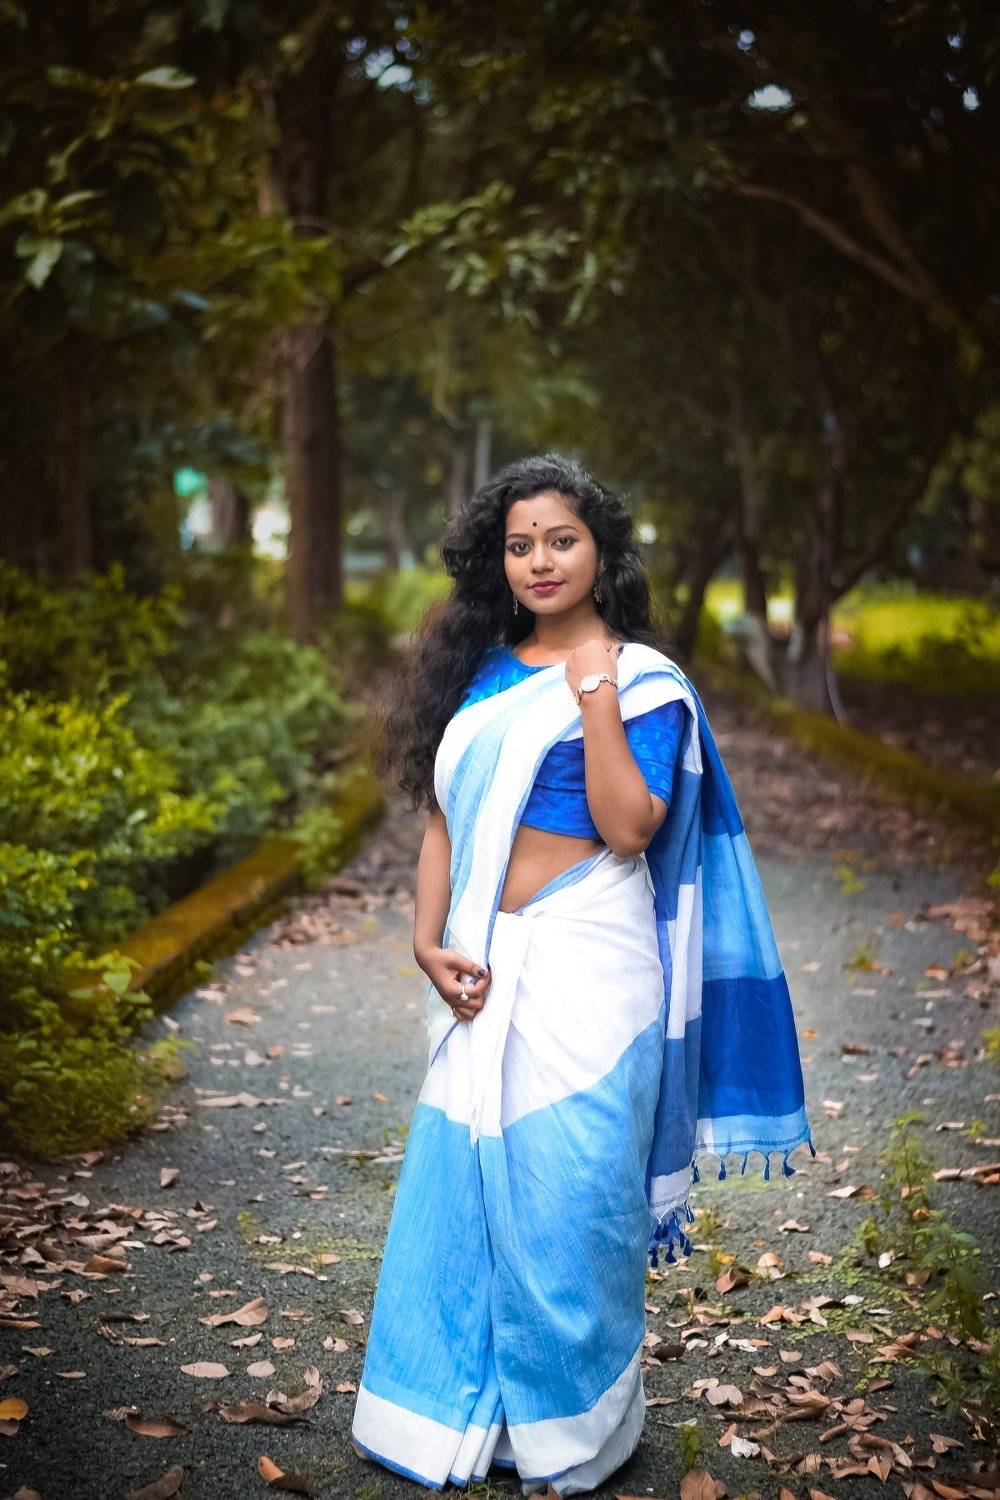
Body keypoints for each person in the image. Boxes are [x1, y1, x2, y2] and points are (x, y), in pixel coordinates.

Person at [350, 453, 815, 1497]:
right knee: (468, 1190)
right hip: (482, 961)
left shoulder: (643, 679)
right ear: (498, 562)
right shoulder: (480, 674)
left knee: (574, 1194)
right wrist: (425, 942)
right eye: (519, 545)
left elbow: (628, 825)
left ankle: (571, 1430)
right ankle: (457, 1415)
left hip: (593, 966)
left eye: (561, 540)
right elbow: (443, 822)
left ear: (601, 551)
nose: (540, 561)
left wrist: (595, 688)